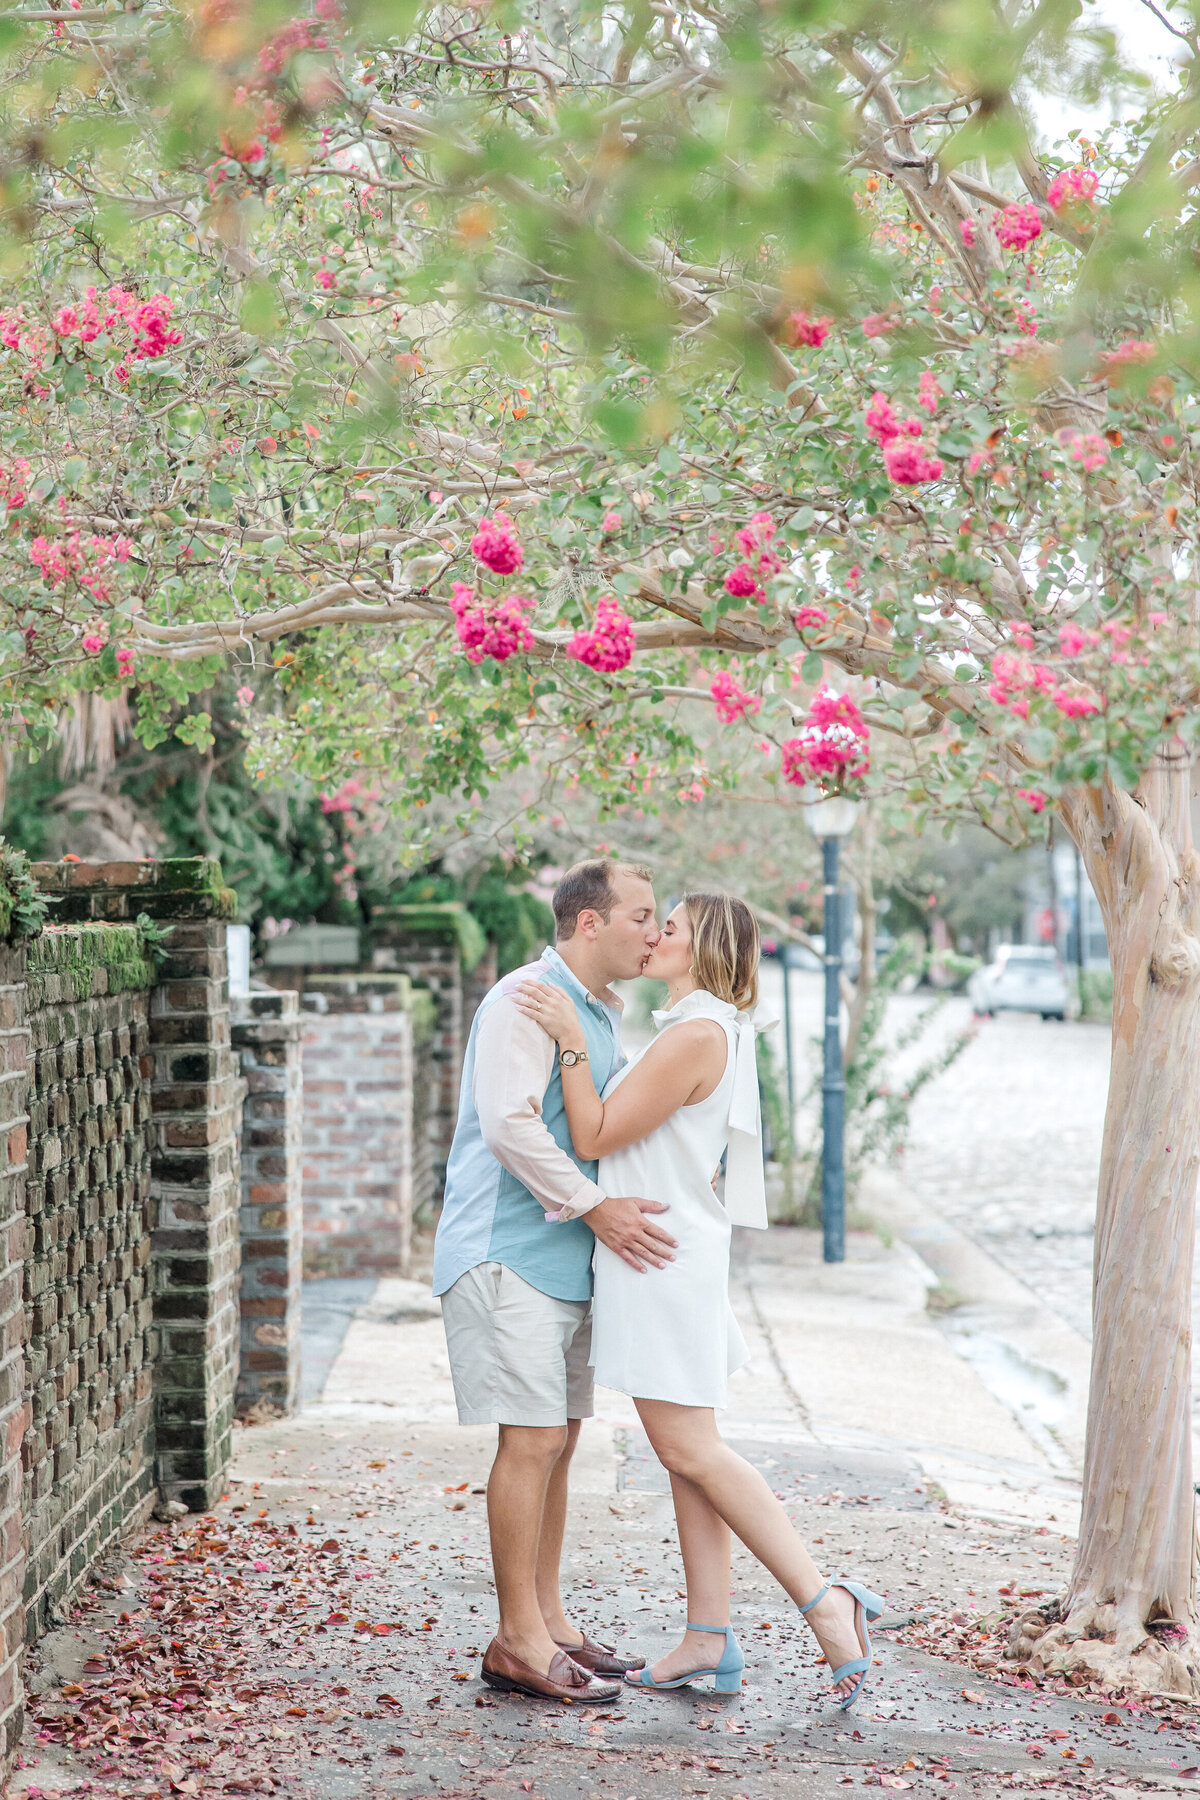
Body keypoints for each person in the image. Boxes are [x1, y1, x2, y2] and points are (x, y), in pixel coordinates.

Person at [514, 891, 885, 1711]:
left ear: (701, 945)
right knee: (688, 1457)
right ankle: (707, 1641)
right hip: (669, 1252)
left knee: (691, 1452)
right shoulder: (704, 1026)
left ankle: (830, 1607)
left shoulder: (695, 1032)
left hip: (660, 1259)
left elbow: (596, 1135)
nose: (651, 936)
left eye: (668, 928)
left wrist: (572, 1042)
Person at [433, 859, 678, 1704]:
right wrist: (593, 1206)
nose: (655, 931)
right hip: (506, 1251)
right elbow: (507, 1123)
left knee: (562, 1440)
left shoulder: (597, 1011)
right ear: (589, 923)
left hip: (561, 1258)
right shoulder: (525, 999)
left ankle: (551, 1620)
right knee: (531, 1440)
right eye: (642, 915)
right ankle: (519, 1641)